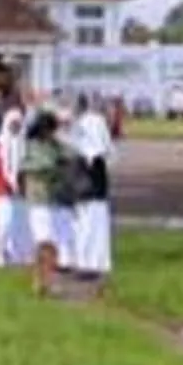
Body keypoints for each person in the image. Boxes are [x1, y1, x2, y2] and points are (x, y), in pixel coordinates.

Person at [17, 110, 70, 298]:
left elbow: (71, 154)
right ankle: (41, 281)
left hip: (53, 200)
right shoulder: (33, 147)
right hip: (39, 201)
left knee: (52, 244)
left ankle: (45, 282)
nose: (52, 133)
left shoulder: (54, 145)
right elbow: (39, 166)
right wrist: (58, 166)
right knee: (44, 243)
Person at [68, 102, 115, 290]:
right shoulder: (89, 155)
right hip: (88, 197)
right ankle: (88, 262)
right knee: (87, 230)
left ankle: (91, 263)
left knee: (90, 230)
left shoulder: (90, 156)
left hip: (91, 197)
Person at [0, 108, 27, 268]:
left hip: (21, 191)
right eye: (13, 124)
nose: (16, 127)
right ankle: (0, 253)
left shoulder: (24, 145)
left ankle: (17, 254)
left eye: (18, 124)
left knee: (20, 224)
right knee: (5, 224)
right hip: (2, 191)